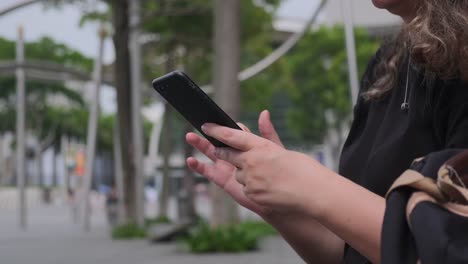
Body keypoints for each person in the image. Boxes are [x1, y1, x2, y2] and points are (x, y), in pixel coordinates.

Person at [185, 0, 468, 263]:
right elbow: (349, 252)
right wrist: (281, 208)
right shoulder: (387, 65)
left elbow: (448, 248)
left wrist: (307, 182)